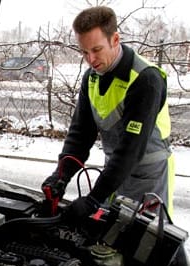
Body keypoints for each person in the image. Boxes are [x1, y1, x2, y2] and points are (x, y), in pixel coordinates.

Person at [42, 6, 174, 221]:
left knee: (146, 245)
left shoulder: (146, 79)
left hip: (148, 177)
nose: (90, 59)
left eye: (96, 49)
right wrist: (61, 176)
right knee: (106, 241)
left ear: (115, 39)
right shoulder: (91, 78)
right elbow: (80, 135)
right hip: (115, 171)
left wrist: (93, 199)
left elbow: (131, 148)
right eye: (84, 52)